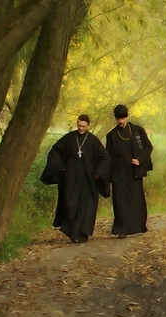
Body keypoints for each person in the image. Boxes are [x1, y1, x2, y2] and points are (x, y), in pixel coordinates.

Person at [40, 114, 110, 243]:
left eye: (83, 126)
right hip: (71, 180)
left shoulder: (93, 141)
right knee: (71, 205)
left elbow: (105, 158)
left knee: (86, 207)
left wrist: (99, 173)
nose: (81, 128)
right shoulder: (69, 138)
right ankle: (73, 233)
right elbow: (55, 151)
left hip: (89, 181)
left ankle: (82, 234)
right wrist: (60, 166)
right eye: (79, 125)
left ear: (88, 126)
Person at [105, 104, 153, 237]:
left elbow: (148, 147)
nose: (121, 121)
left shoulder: (137, 131)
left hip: (134, 171)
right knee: (120, 201)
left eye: (123, 118)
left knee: (135, 200)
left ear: (127, 116)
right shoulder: (112, 135)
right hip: (118, 172)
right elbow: (108, 156)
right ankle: (122, 230)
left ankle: (138, 226)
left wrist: (139, 159)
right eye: (118, 119)